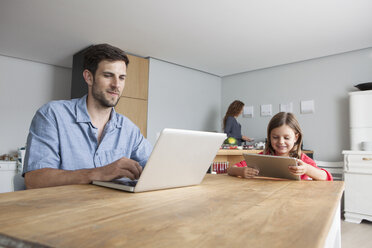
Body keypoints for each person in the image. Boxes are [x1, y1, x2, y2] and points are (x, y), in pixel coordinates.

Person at [23, 44, 153, 189]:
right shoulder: (52, 114)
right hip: (65, 209)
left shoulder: (130, 130)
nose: (116, 85)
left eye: (122, 78)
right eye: (108, 75)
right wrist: (98, 173)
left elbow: (155, 166)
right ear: (89, 77)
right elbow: (34, 179)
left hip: (114, 209)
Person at [227, 112, 333, 181]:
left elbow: (326, 177)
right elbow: (231, 169)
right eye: (275, 137)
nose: (281, 142)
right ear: (269, 137)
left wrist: (306, 169)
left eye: (286, 138)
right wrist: (241, 171)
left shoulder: (302, 160)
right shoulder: (262, 158)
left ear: (296, 138)